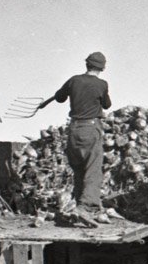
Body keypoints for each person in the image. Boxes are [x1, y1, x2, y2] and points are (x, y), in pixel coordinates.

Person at [38, 52, 112, 215]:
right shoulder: (102, 84)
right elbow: (107, 105)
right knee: (92, 168)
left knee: (78, 167)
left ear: (86, 64)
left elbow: (60, 98)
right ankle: (87, 207)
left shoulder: (73, 80)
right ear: (102, 68)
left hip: (74, 130)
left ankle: (79, 203)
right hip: (91, 129)